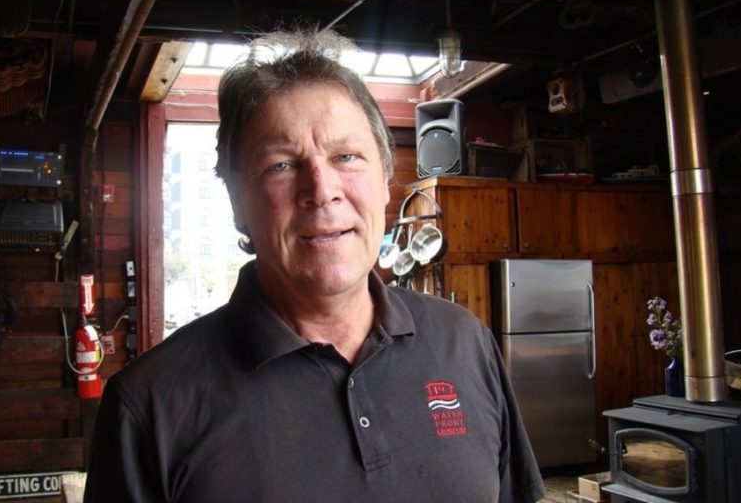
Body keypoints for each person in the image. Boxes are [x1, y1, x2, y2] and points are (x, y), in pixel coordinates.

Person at [83, 29, 545, 503]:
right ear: (236, 201)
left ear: (386, 180)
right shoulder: (149, 406)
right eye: (281, 165)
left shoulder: (464, 342)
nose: (322, 189)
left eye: (346, 156)